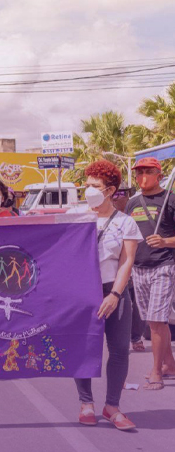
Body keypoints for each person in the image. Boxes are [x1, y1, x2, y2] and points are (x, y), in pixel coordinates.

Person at [71, 160, 141, 431]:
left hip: (115, 292)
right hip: (81, 294)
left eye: (95, 186)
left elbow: (126, 261)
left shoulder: (126, 223)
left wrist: (114, 294)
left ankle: (112, 406)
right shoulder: (74, 215)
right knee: (84, 348)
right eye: (86, 185)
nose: (88, 190)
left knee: (120, 350)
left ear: (110, 190)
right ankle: (85, 402)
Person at [124, 157, 175, 390]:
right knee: (155, 321)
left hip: (164, 265)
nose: (142, 176)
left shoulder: (170, 200)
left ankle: (156, 371)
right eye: (139, 172)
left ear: (159, 174)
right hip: (139, 268)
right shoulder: (132, 204)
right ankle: (170, 365)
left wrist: (165, 241)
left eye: (148, 172)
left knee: (156, 319)